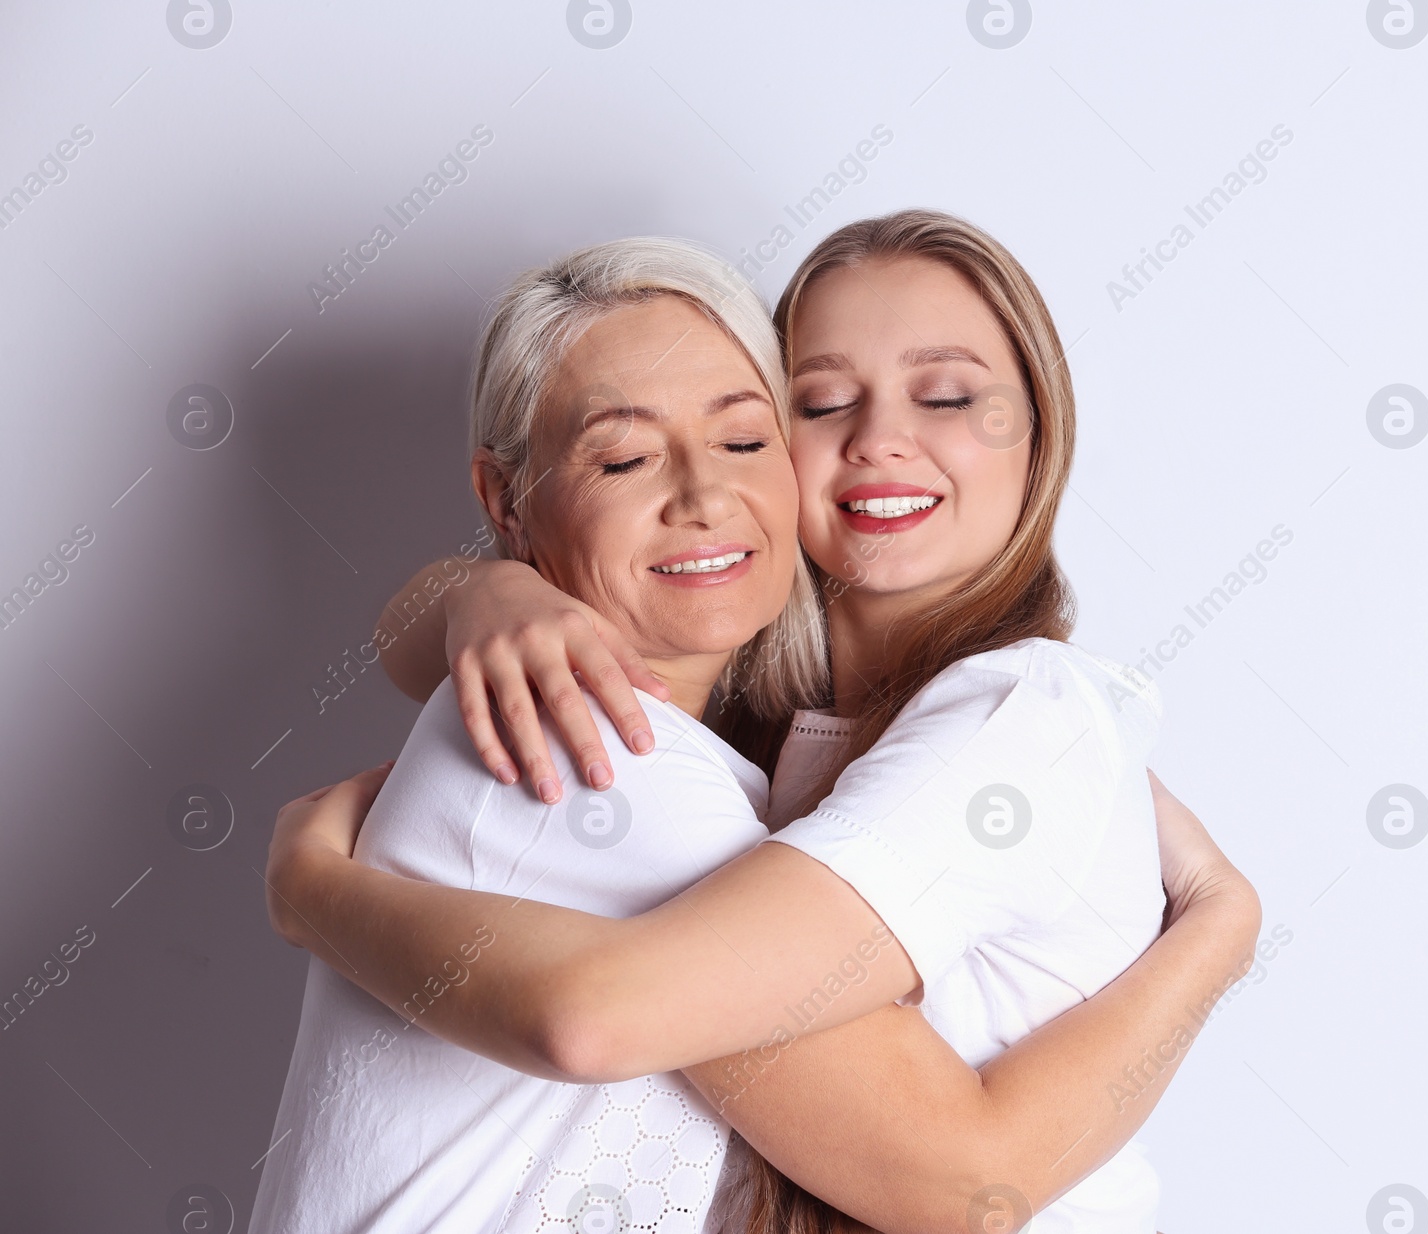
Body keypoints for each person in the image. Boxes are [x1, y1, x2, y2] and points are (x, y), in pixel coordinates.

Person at [264, 215, 1262, 1233]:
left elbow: (959, 1180)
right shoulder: (626, 742)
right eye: (822, 403)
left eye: (740, 438)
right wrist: (480, 593)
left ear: (1041, 432)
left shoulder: (1009, 718)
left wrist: (313, 892)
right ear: (507, 499)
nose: (877, 439)